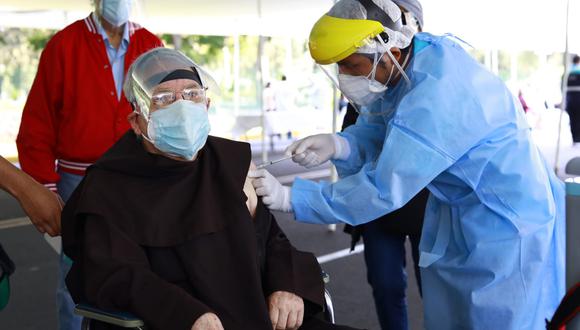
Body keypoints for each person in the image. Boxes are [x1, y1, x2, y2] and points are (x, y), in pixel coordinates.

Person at [249, 0, 565, 328]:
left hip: (504, 227)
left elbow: (384, 186)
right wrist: (342, 144)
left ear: (391, 53)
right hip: (462, 215)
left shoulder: (439, 93)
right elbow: (386, 126)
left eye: (351, 65)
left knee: (495, 319)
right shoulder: (416, 63)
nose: (344, 75)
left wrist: (294, 198)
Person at [61, 48, 361, 330]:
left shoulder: (229, 163)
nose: (181, 107)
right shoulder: (110, 185)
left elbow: (272, 241)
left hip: (261, 316)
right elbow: (117, 274)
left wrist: (287, 285)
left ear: (206, 105)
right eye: (164, 98)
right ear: (137, 121)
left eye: (191, 94)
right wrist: (185, 313)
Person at [16, 0, 163, 328]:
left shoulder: (150, 45)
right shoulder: (64, 45)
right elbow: (38, 124)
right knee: (76, 275)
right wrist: (45, 185)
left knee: (148, 268)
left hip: (139, 178)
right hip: (78, 180)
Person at [340, 1, 425, 328]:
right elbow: (353, 137)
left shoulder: (429, 82)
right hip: (375, 204)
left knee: (434, 283)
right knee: (386, 284)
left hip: (424, 200)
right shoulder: (364, 75)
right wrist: (340, 147)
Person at [566, 54, 580, 144]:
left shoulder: (567, 72)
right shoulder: (578, 71)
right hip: (578, 98)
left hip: (570, 99)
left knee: (572, 119)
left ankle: (574, 138)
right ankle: (578, 138)